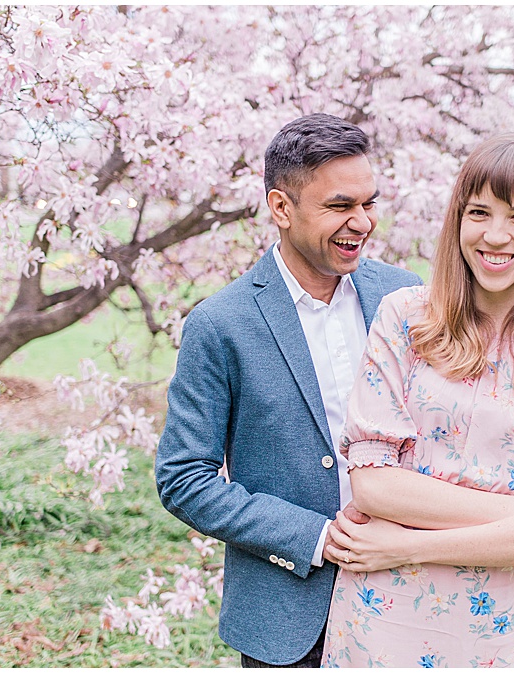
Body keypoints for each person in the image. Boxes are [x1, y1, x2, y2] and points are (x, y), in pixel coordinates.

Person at [316, 132, 514, 667]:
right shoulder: (406, 317)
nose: (495, 235)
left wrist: (408, 545)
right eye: (479, 212)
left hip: (492, 626)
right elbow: (374, 482)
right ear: (457, 219)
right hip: (383, 614)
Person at [154, 113, 422, 667]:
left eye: (368, 203)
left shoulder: (409, 297)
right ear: (281, 208)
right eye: (339, 206)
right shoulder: (219, 324)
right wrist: (317, 536)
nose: (362, 222)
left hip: (418, 594)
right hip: (290, 618)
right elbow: (184, 478)